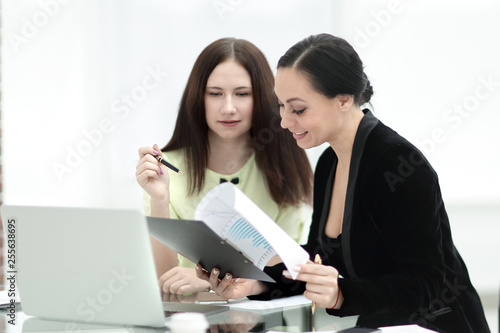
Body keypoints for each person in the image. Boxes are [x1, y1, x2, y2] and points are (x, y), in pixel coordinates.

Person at [196, 34, 490, 332]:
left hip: (435, 325)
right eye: (281, 106)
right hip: (379, 325)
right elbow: (319, 260)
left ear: (344, 99)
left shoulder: (398, 164)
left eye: (297, 109)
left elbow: (426, 284)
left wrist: (340, 293)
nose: (284, 121)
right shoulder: (329, 163)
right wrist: (257, 283)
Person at [135, 37, 313, 295]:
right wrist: (159, 200)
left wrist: (210, 280)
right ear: (199, 98)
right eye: (215, 94)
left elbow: (289, 273)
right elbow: (166, 281)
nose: (228, 108)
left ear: (262, 97)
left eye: (242, 94)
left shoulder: (284, 167)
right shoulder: (166, 170)